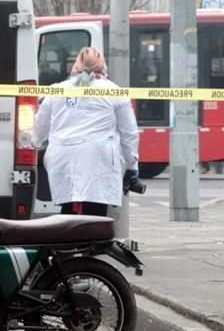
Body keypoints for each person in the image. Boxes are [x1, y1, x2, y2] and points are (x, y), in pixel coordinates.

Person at [33, 46, 142, 217]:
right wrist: (132, 166)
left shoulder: (57, 90)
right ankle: (91, 242)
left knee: (67, 211)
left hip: (62, 158)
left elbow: (39, 127)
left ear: (75, 66)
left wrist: (34, 143)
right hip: (98, 159)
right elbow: (129, 134)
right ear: (102, 66)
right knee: (95, 215)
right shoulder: (115, 92)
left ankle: (68, 243)